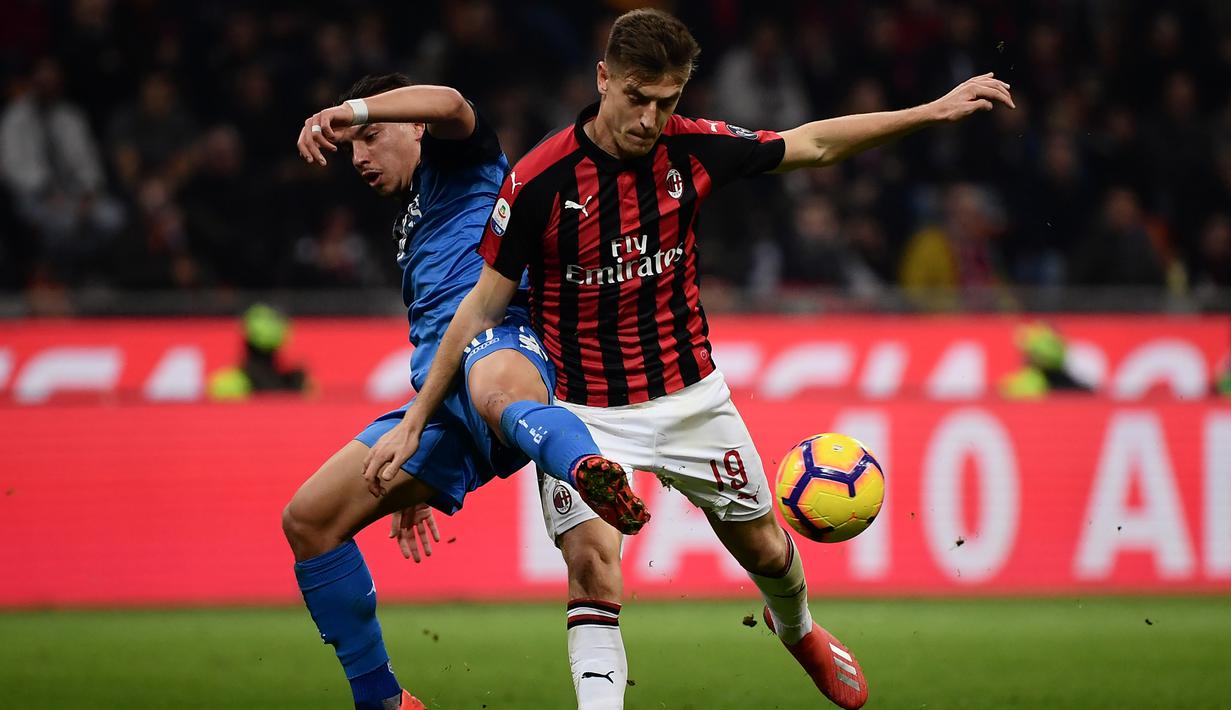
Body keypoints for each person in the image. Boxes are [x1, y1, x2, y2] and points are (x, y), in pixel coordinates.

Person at [365, 9, 1015, 710]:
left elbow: (815, 143)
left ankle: (796, 629)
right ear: (603, 78)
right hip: (581, 412)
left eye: (666, 102)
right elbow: (478, 310)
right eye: (636, 98)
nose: (648, 118)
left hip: (689, 397)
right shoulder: (538, 182)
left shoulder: (695, 150)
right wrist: (415, 421)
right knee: (591, 567)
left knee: (766, 549)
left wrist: (933, 110)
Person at [282, 74, 648, 710]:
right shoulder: (411, 216)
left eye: (371, 138)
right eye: (353, 148)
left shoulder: (462, 163)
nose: (360, 155)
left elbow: (452, 103)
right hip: (442, 400)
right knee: (309, 521)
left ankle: (585, 465)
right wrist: (415, 454)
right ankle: (385, 701)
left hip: (504, 345)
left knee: (498, 393)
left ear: (414, 126)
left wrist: (348, 110)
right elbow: (433, 332)